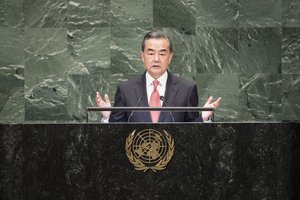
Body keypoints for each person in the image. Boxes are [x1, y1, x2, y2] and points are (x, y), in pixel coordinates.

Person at [96, 30, 221, 123]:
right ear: (142, 56)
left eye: (162, 54)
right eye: (151, 53)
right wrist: (108, 117)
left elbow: (192, 133)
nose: (156, 59)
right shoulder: (126, 89)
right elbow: (116, 134)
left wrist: (204, 118)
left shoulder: (187, 89)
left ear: (170, 57)